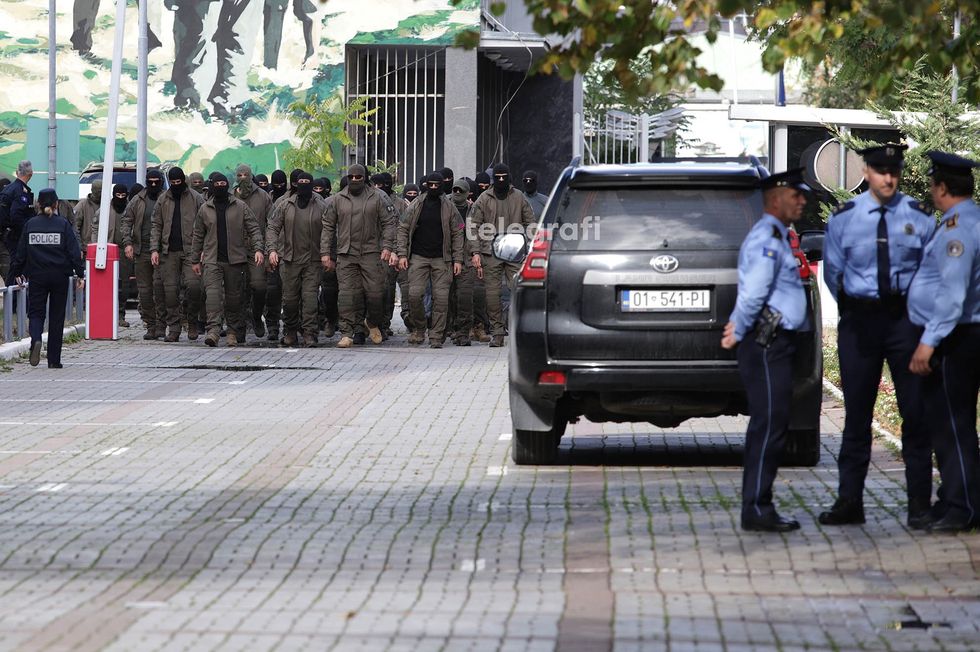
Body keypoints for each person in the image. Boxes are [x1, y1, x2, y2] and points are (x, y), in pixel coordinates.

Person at [820, 143, 936, 528]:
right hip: (861, 322)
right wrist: (854, 310)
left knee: (915, 413)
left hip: (906, 320)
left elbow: (931, 272)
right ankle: (849, 501)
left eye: (894, 172)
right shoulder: (845, 218)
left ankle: (919, 505)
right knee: (857, 414)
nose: (889, 178)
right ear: (866, 172)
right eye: (881, 171)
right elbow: (833, 273)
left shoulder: (919, 216)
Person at [720, 169, 810, 532]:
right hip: (767, 343)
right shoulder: (767, 240)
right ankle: (756, 507)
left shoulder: (778, 235)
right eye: (795, 195)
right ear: (774, 199)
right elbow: (754, 293)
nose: (802, 201)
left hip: (773, 343)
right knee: (769, 425)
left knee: (772, 423)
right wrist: (737, 329)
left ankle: (759, 504)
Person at [906, 151, 980, 533]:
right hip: (965, 333)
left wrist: (928, 342)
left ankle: (961, 507)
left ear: (942, 188)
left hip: (956, 337)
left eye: (933, 184)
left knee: (952, 424)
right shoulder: (972, 219)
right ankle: (960, 498)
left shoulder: (957, 229)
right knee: (957, 422)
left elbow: (953, 294)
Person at [320, 164, 397, 348]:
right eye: (351, 177)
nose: (354, 180)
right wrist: (325, 253)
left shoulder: (377, 197)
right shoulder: (338, 199)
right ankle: (347, 333)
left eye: (358, 177)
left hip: (371, 253)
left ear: (364, 178)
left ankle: (371, 322)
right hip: (346, 254)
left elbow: (389, 223)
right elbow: (328, 226)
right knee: (347, 296)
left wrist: (387, 246)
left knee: (376, 294)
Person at [6, 189, 85, 368]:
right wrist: (80, 274)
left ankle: (36, 339)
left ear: (38, 205)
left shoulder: (30, 224)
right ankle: (54, 360)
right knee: (57, 316)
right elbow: (73, 251)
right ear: (56, 204)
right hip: (59, 276)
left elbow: (21, 253)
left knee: (36, 312)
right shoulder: (63, 224)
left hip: (37, 276)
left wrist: (17, 272)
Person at [190, 173, 264, 347]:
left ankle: (232, 331)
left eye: (223, 184)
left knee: (234, 299)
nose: (220, 187)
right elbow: (198, 235)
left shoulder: (240, 206)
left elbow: (254, 228)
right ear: (212, 186)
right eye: (217, 184)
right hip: (212, 259)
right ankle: (213, 331)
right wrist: (195, 259)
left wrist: (258, 249)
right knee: (213, 297)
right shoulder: (205, 209)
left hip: (235, 260)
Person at [466, 163, 535, 347]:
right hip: (491, 251)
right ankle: (497, 332)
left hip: (515, 250)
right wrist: (475, 251)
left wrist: (528, 246)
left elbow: (531, 223)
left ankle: (520, 329)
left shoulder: (518, 197)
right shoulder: (484, 198)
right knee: (492, 294)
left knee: (519, 290)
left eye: (504, 177)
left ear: (509, 177)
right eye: (498, 177)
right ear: (493, 179)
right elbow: (472, 225)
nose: (501, 180)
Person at [397, 172, 465, 348]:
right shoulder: (416, 204)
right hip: (418, 257)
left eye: (437, 185)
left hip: (442, 259)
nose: (433, 188)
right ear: (426, 185)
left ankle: (436, 335)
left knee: (441, 299)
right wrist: (402, 254)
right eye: (431, 185)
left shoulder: (449, 207)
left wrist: (458, 259)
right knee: (414, 295)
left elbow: (458, 232)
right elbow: (403, 228)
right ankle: (419, 329)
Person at [267, 172, 323, 346]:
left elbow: (330, 230)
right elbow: (272, 227)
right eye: (301, 182)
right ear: (295, 184)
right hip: (289, 260)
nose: (304, 184)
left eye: (307, 182)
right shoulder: (285, 205)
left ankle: (310, 333)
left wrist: (328, 254)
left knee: (310, 299)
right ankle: (290, 331)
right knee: (290, 300)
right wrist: (272, 250)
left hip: (313, 260)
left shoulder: (321, 205)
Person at [150, 167, 205, 341]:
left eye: (178, 182)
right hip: (168, 252)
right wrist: (154, 249)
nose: (175, 185)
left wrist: (203, 249)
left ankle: (192, 320)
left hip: (191, 251)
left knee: (194, 287)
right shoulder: (163, 199)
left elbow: (206, 223)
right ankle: (174, 328)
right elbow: (156, 225)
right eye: (172, 182)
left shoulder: (196, 198)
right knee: (170, 292)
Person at [121, 170, 167, 340]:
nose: (153, 184)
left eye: (156, 181)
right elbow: (126, 221)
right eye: (150, 181)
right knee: (145, 291)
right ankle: (151, 324)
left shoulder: (167, 198)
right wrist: (128, 243)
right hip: (141, 251)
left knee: (161, 289)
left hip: (162, 252)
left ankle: (162, 324)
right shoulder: (138, 199)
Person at [80, 183, 132, 327]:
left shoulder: (130, 209)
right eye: (118, 195)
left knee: (124, 285)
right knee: (107, 284)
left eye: (123, 195)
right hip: (108, 250)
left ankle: (120, 314)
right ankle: (108, 314)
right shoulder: (104, 210)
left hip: (125, 251)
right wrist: (96, 247)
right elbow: (95, 228)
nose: (120, 198)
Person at [0, 160, 35, 282]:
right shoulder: (20, 192)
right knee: (15, 270)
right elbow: (17, 217)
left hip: (5, 234)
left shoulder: (8, 189)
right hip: (14, 237)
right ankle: (14, 293)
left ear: (16, 172)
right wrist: (27, 232)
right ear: (31, 174)